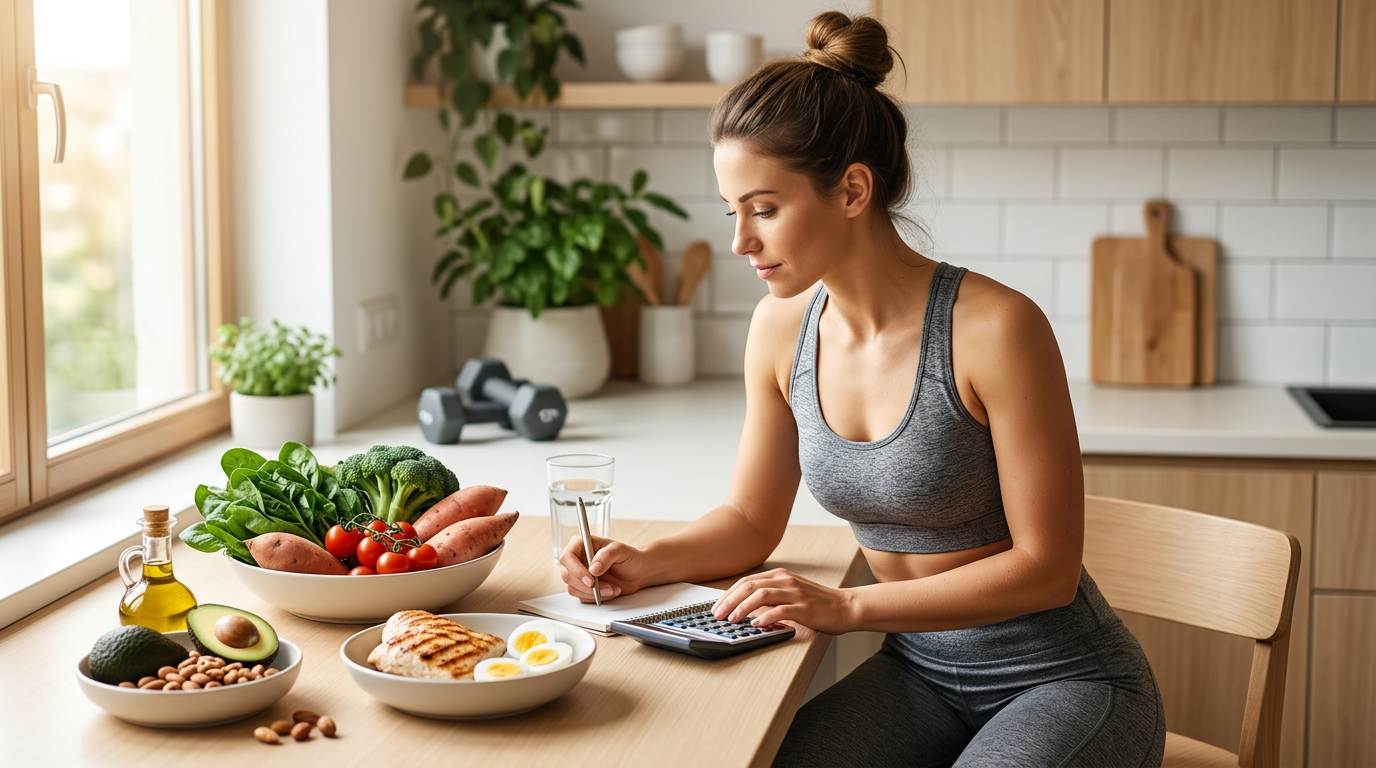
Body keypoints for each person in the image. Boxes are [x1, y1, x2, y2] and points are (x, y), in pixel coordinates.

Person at [558, 11, 1165, 767]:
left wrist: (847, 607)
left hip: (1063, 681)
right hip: (920, 675)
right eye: (733, 211)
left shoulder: (996, 329)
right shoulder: (781, 330)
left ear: (851, 190)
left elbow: (1047, 570)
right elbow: (750, 519)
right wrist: (646, 560)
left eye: (764, 209)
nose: (740, 241)